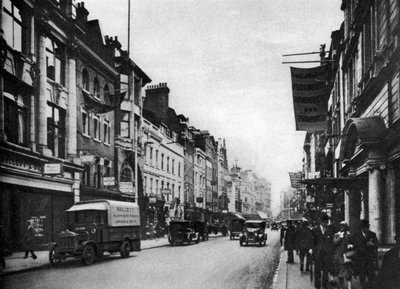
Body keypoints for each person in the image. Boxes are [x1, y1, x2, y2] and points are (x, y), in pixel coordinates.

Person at [352, 219, 378, 289]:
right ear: (362, 227)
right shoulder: (356, 235)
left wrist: (372, 244)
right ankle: (364, 286)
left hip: (369, 257)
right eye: (364, 227)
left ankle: (370, 286)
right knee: (362, 274)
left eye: (367, 227)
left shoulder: (372, 234)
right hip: (360, 258)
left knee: (371, 274)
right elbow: (354, 245)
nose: (366, 229)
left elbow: (376, 244)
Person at [311, 214, 334, 289]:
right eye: (324, 222)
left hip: (326, 255)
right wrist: (312, 251)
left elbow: (331, 243)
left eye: (326, 222)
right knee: (317, 271)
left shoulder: (330, 231)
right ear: (321, 222)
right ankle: (317, 286)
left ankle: (325, 286)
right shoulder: (315, 230)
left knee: (325, 271)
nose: (325, 224)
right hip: (318, 254)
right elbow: (313, 243)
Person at [332, 221, 353, 289]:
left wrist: (350, 245)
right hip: (338, 256)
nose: (342, 227)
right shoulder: (337, 234)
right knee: (340, 273)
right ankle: (341, 286)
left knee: (348, 272)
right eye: (341, 226)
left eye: (344, 226)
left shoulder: (349, 235)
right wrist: (340, 237)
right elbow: (334, 242)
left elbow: (352, 243)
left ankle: (349, 286)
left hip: (347, 255)